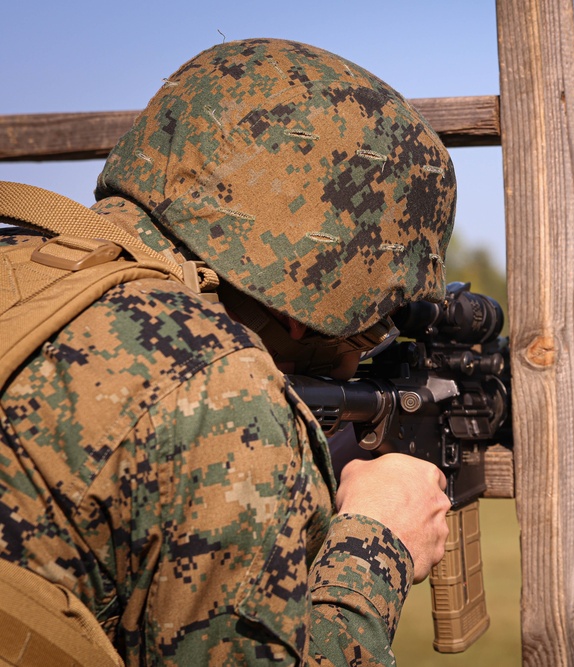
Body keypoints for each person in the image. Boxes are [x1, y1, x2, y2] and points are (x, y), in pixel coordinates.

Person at [0, 37, 455, 665]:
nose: (366, 353)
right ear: (308, 308)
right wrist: (377, 544)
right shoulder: (219, 388)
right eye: (373, 328)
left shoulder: (24, 265)